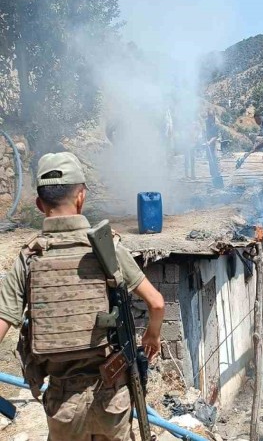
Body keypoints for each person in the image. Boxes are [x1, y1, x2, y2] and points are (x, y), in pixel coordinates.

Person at [0, 152, 165, 440]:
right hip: (112, 396)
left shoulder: (29, 259)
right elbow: (157, 303)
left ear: (40, 204)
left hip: (61, 402)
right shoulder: (107, 249)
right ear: (81, 197)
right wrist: (152, 336)